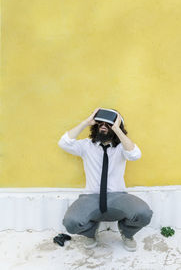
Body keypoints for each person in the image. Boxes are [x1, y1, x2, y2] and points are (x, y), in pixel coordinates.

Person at [58, 107, 153, 251]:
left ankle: (127, 233)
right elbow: (64, 143)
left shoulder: (122, 148)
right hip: (91, 197)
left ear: (115, 128)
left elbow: (135, 155)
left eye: (108, 124)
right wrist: (86, 122)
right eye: (100, 123)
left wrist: (118, 129)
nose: (103, 126)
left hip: (118, 196)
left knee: (144, 213)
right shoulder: (86, 146)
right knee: (71, 222)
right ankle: (90, 233)